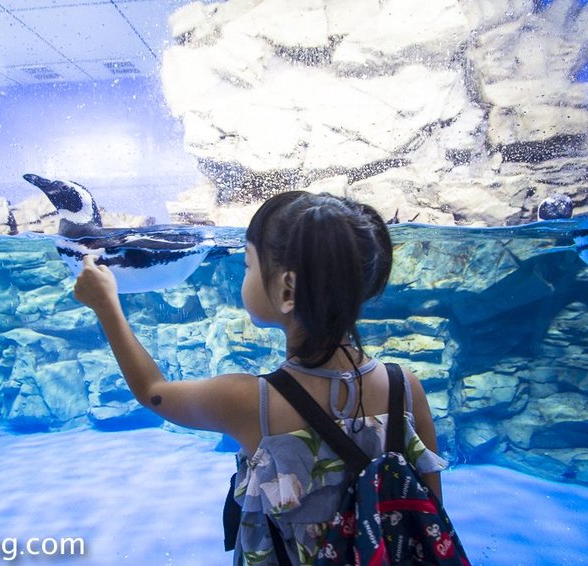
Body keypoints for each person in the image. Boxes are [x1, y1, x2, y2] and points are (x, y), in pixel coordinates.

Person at [73, 191, 448, 565]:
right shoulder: (405, 388)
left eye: (248, 265)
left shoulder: (251, 402)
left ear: (287, 290)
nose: (245, 275)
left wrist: (106, 305)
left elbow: (153, 392)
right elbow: (432, 520)